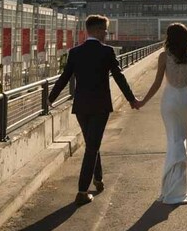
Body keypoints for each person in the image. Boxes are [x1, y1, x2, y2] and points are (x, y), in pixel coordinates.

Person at [48, 14, 140, 206]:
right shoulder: (107, 51)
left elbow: (65, 77)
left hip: (81, 106)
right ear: (97, 31)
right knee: (92, 147)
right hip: (100, 106)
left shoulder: (75, 52)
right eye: (105, 30)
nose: (106, 34)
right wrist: (131, 99)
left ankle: (98, 179)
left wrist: (49, 99)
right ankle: (82, 191)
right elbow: (119, 76)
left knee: (92, 143)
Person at [136, 23, 187, 204]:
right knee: (182, 137)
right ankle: (181, 185)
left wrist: (142, 102)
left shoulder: (164, 56)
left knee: (174, 139)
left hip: (169, 101)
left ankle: (174, 188)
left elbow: (157, 83)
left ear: (169, 38)